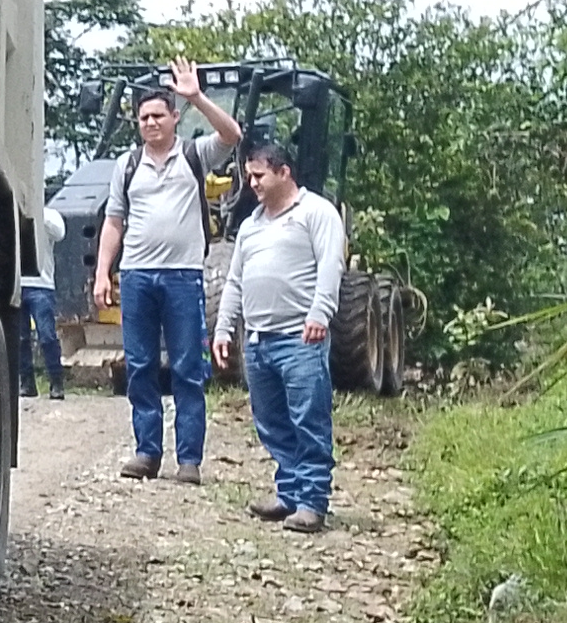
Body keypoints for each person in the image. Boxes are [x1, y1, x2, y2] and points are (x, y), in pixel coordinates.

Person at [91, 59, 246, 480]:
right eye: (144, 118)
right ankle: (147, 452)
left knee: (187, 368)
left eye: (159, 115)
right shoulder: (127, 165)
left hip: (182, 277)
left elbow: (232, 135)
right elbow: (114, 222)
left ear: (175, 118)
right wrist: (103, 273)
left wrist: (197, 96)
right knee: (140, 366)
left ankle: (189, 460)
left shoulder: (195, 154)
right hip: (137, 277)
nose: (151, 123)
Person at [213, 139, 349, 533]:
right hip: (258, 341)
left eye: (259, 175)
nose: (252, 183)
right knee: (271, 422)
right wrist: (223, 328)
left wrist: (320, 313)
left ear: (284, 172)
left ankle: (312, 501)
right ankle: (289, 492)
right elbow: (235, 282)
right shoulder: (250, 226)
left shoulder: (317, 213)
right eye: (249, 176)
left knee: (308, 419)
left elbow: (331, 266)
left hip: (300, 338)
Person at [18, 204, 69, 399]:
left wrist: (35, 212)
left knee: (47, 336)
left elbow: (59, 233)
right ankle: (27, 383)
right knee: (20, 339)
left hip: (41, 285)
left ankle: (56, 382)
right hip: (17, 284)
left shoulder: (50, 215)